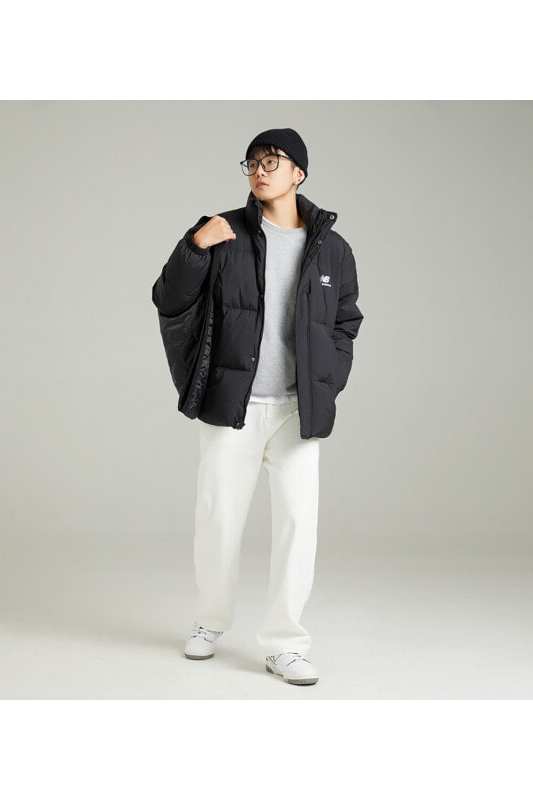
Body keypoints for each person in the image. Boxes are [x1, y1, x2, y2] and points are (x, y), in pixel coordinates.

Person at [152, 127, 364, 685]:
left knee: (298, 525)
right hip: (234, 405)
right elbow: (169, 298)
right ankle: (208, 622)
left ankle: (285, 644)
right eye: (252, 162)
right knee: (218, 519)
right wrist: (194, 247)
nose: (260, 171)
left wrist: (327, 381)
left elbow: (345, 322)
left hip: (297, 410)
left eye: (272, 161)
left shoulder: (333, 249)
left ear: (299, 173)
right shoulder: (222, 231)